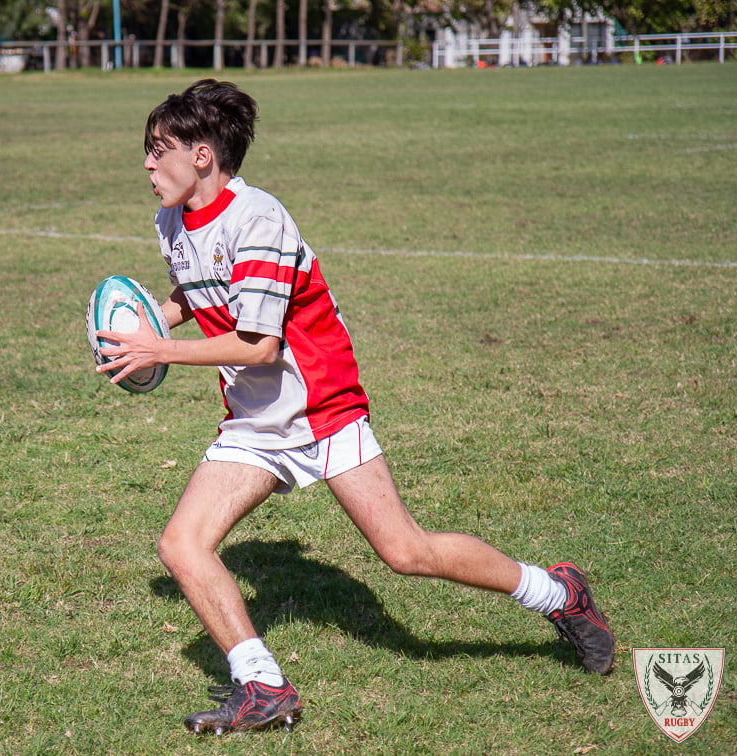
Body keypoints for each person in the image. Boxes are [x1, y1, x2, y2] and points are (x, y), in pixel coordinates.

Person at [96, 79, 615, 736]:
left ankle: (558, 591)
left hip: (321, 404)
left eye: (157, 149)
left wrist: (158, 351)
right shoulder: (172, 220)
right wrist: (143, 324)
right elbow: (196, 292)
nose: (145, 163)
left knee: (405, 551)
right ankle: (262, 686)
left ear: (203, 155)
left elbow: (259, 345)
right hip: (256, 420)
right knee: (182, 545)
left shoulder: (258, 220)